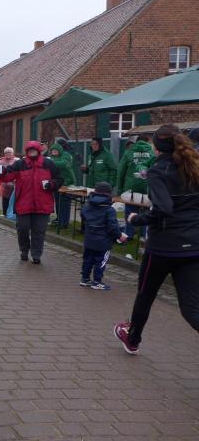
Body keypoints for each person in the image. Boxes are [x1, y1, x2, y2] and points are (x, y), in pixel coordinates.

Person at [114, 124, 199, 355]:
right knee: (191, 307)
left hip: (163, 247)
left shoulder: (158, 171)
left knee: (145, 295)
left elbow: (163, 208)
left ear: (157, 147)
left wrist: (136, 219)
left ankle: (133, 339)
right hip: (193, 247)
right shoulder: (193, 166)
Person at [0, 141, 63, 264]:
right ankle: (24, 250)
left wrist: (52, 184)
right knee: (22, 229)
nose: (32, 152)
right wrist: (0, 172)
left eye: (34, 150)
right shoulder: (20, 164)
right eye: (29, 150)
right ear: (27, 152)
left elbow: (59, 178)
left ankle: (36, 254)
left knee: (39, 231)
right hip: (23, 203)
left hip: (43, 204)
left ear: (38, 151)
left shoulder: (48, 163)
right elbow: (7, 176)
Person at [80, 182, 127, 290]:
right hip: (103, 242)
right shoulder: (109, 210)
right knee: (100, 262)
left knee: (87, 259)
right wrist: (119, 236)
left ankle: (85, 279)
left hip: (89, 239)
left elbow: (83, 216)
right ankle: (97, 281)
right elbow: (112, 227)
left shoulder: (87, 205)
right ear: (109, 194)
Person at [116, 135, 155, 242]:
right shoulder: (152, 153)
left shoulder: (129, 152)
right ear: (148, 141)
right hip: (147, 188)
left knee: (130, 210)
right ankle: (143, 235)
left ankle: (129, 234)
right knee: (146, 211)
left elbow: (121, 171)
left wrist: (120, 189)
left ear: (137, 141)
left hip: (130, 187)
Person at [48, 142, 76, 228]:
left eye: (56, 151)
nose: (54, 152)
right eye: (53, 151)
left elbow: (64, 164)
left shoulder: (66, 155)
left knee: (65, 203)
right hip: (57, 182)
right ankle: (59, 219)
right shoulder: (53, 158)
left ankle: (64, 222)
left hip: (67, 181)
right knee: (58, 202)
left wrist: (51, 162)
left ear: (60, 150)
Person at [0, 147, 18, 216]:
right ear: (4, 154)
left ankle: (14, 214)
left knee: (15, 200)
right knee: (5, 199)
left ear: (13, 153)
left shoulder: (17, 161)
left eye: (9, 152)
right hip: (5, 185)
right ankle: (5, 213)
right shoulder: (0, 162)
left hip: (16, 184)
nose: (8, 154)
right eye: (6, 152)